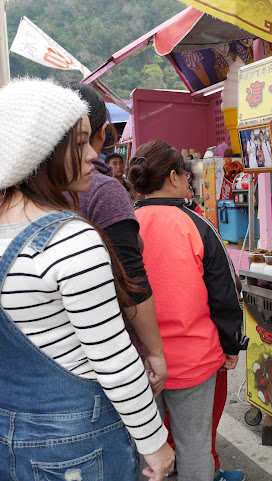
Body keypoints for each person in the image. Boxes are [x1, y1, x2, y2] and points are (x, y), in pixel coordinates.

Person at [0, 79, 174, 480]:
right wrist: (156, 444)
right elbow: (112, 356)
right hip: (76, 441)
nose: (94, 155)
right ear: (40, 149)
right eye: (80, 143)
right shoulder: (70, 238)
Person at [129, 141, 248, 481]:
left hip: (138, 362)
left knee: (146, 449)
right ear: (171, 177)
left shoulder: (125, 227)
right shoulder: (196, 225)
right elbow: (225, 294)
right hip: (193, 359)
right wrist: (230, 345)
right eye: (184, 173)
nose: (187, 180)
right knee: (194, 444)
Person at [66, 82, 168, 396]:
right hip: (108, 355)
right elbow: (130, 280)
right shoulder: (102, 191)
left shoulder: (26, 192)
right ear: (104, 133)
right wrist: (155, 352)